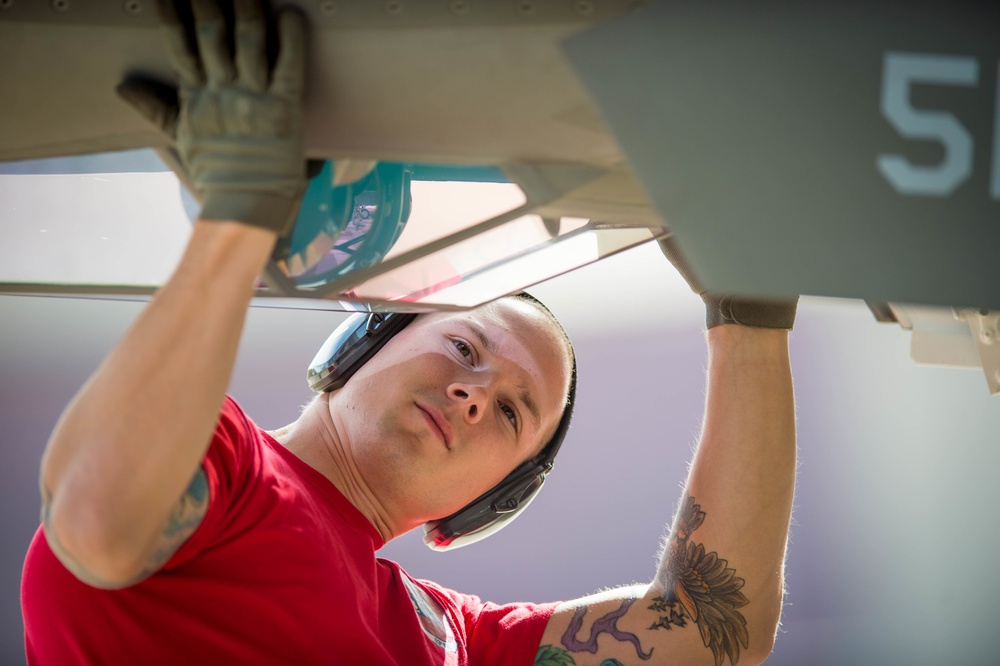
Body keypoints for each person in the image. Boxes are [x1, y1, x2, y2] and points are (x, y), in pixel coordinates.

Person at [20, 1, 798, 664]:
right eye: (465, 348)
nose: (472, 394)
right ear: (357, 346)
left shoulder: (452, 640)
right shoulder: (219, 456)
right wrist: (238, 216)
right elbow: (94, 524)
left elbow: (712, 630)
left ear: (482, 509)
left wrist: (749, 323)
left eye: (510, 413)